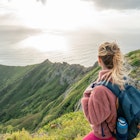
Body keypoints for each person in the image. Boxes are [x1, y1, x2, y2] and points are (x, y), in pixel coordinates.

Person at [81, 42, 127, 140]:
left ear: (99, 60)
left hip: (106, 135)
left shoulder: (100, 90)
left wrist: (86, 96)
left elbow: (93, 119)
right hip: (121, 131)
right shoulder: (122, 80)